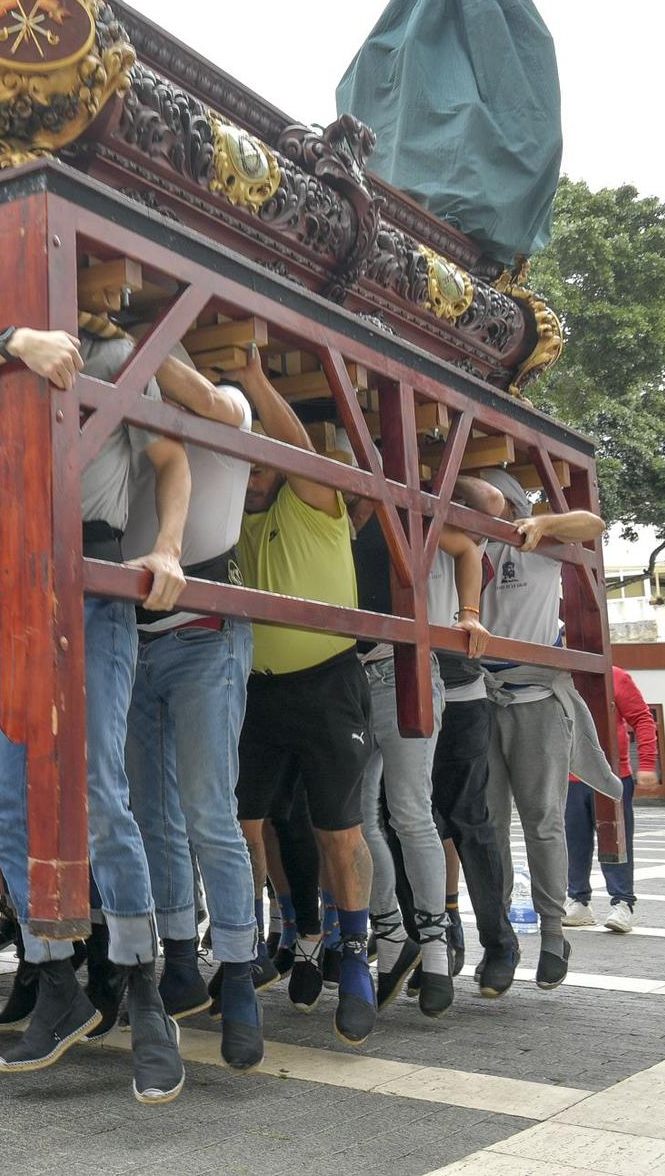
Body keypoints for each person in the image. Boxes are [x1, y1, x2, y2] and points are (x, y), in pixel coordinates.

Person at [0, 257, 192, 1105]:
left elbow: (171, 460)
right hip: (11, 595)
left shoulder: (108, 358)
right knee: (2, 797)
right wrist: (13, 341)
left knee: (99, 793)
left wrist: (171, 548)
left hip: (94, 579)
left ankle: (145, 988)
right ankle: (56, 979)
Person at [219, 344, 380, 1046]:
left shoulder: (314, 498)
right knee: (245, 824)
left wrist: (256, 379)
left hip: (328, 684)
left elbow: (297, 451)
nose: (253, 479)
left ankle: (354, 957)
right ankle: (270, 933)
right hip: (258, 690)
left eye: (260, 466)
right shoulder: (232, 515)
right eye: (243, 467)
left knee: (338, 832)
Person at [120, 345, 267, 1070]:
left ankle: (237, 972)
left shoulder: (230, 398)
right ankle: (180, 957)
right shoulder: (131, 423)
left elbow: (204, 397)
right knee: (153, 814)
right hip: (133, 634)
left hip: (206, 632)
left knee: (210, 810)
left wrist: (128, 352)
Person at [348, 489, 491, 1018]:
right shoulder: (322, 511)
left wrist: (469, 613)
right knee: (359, 818)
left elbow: (469, 548)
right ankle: (391, 938)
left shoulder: (399, 517)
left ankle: (433, 950)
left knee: (409, 811)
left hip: (403, 669)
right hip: (349, 676)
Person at [474, 467, 611, 993]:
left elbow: (591, 522)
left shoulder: (540, 539)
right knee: (487, 825)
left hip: (537, 698)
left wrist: (545, 520)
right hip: (483, 698)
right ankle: (499, 938)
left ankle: (553, 933)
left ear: (510, 502)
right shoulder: (467, 540)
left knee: (543, 821)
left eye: (492, 497)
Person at [429, 475, 519, 995]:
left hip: (461, 694)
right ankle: (441, 927)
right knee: (415, 818)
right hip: (405, 686)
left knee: (470, 821)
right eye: (478, 522)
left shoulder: (472, 556)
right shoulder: (422, 528)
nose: (484, 538)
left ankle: (500, 941)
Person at [564, 664, 657, 933]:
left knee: (616, 839)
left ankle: (623, 903)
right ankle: (579, 901)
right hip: (569, 778)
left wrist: (648, 763)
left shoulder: (616, 677)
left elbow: (642, 718)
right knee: (573, 841)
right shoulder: (558, 676)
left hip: (613, 775)